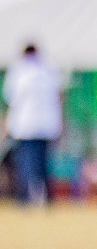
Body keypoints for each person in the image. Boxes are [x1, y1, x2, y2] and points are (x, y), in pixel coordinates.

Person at [4, 43, 62, 205]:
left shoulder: (18, 71)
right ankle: (48, 199)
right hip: (46, 125)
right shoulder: (49, 69)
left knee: (25, 165)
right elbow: (58, 97)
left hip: (24, 126)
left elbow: (10, 98)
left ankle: (25, 199)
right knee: (44, 165)